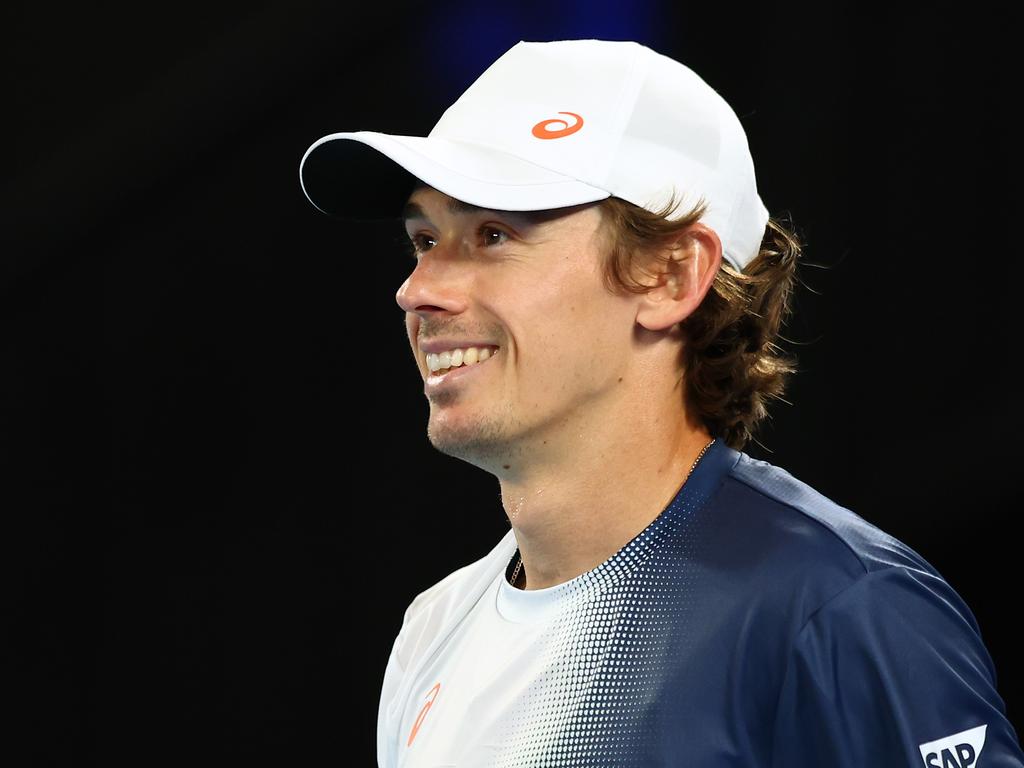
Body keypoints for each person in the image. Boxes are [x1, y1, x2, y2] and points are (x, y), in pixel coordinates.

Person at [299, 39, 1022, 768]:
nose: (418, 291)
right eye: (424, 239)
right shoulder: (431, 634)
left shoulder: (838, 608)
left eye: (492, 234)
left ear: (672, 276)